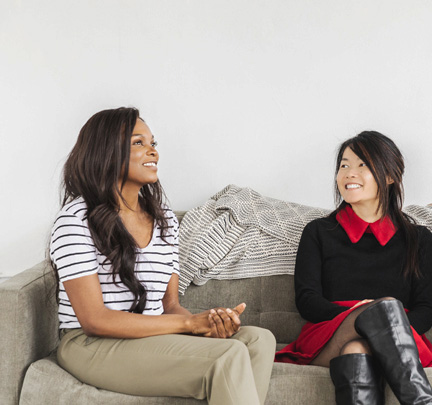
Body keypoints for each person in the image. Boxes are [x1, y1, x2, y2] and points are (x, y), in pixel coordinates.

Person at [49, 107, 275, 405]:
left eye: (153, 143)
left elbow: (170, 306)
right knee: (229, 356)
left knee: (259, 340)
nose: (152, 151)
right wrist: (189, 324)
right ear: (106, 152)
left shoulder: (163, 218)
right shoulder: (75, 220)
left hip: (148, 338)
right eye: (138, 143)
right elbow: (93, 319)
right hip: (90, 343)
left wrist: (210, 325)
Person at [275, 131, 432, 405]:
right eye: (344, 165)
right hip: (330, 334)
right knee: (379, 312)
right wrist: (361, 317)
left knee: (358, 347)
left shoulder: (419, 239)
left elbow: (426, 311)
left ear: (390, 176)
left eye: (363, 164)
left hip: (402, 341)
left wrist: (386, 327)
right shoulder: (318, 232)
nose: (350, 173)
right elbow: (307, 301)